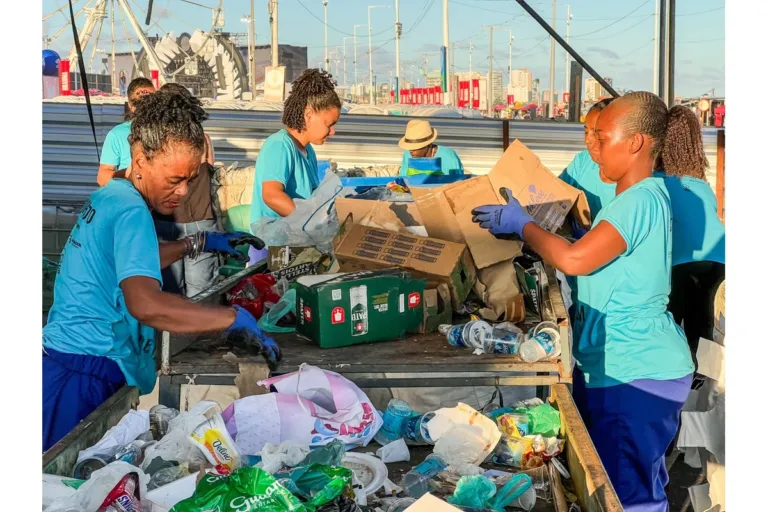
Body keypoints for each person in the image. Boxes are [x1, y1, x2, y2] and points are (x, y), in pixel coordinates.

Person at [471, 92, 694, 511]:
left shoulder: (639, 199)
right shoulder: (634, 199)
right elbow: (587, 252)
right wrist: (536, 233)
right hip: (617, 365)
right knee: (617, 481)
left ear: (635, 142)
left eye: (602, 137)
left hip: (635, 372)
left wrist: (524, 226)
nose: (594, 150)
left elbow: (573, 261)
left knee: (626, 497)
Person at [43, 91, 279, 451]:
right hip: (84, 370)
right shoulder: (132, 211)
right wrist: (231, 318)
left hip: (61, 358)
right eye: (174, 180)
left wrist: (198, 243)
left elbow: (131, 260)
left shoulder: (111, 195)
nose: (183, 192)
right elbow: (144, 303)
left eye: (191, 179)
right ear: (140, 159)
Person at [656, 106, 725, 373]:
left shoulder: (655, 183)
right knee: (703, 331)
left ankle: (672, 386)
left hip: (681, 262)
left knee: (670, 324)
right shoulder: (701, 185)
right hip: (718, 259)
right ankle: (704, 390)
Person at [152, 83, 219, 298]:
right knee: (201, 293)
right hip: (201, 219)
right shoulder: (203, 139)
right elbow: (210, 172)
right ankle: (198, 331)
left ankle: (171, 332)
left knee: (169, 292)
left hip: (165, 223)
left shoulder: (155, 142)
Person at [250, 69, 341, 225]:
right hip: (270, 244)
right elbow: (272, 195)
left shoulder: (308, 152)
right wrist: (310, 222)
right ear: (309, 115)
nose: (332, 132)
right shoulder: (280, 145)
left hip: (294, 240)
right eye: (329, 124)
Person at [560, 98, 616, 219]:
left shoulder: (633, 185)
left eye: (596, 133)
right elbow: (556, 192)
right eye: (586, 132)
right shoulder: (582, 162)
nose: (587, 140)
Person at [97, 77, 155, 186]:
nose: (146, 107)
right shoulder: (117, 134)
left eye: (150, 102)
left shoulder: (167, 130)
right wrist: (129, 174)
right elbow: (102, 177)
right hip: (131, 198)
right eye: (140, 103)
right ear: (130, 105)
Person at [398, 119, 464, 177]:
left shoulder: (449, 157)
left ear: (427, 145)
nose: (411, 151)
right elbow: (402, 180)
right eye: (409, 147)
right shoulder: (407, 155)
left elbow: (457, 184)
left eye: (415, 147)